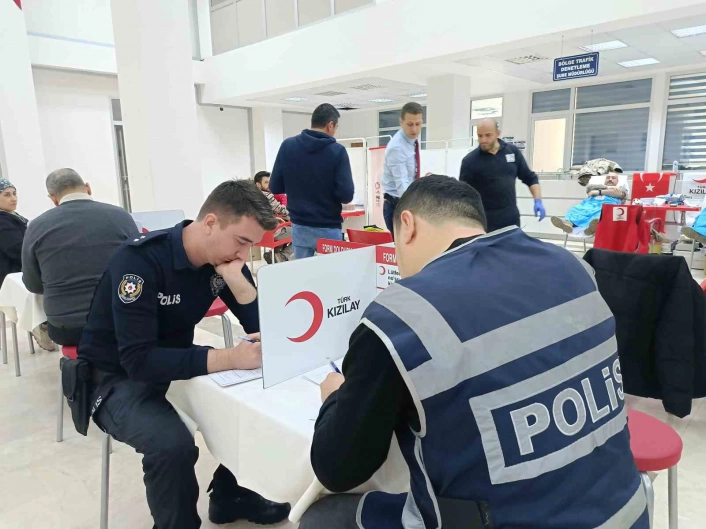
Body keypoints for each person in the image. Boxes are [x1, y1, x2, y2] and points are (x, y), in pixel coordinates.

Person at [300, 175, 648, 529]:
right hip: (629, 512)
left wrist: (335, 398)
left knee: (321, 517)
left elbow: (337, 469)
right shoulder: (572, 266)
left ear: (407, 225)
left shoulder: (403, 314)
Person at [78, 180, 290, 529]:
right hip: (115, 375)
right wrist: (229, 358)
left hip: (173, 360)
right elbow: (138, 361)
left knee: (265, 398)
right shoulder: (140, 262)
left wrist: (239, 283)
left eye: (251, 246)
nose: (244, 255)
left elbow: (261, 329)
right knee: (171, 445)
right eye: (241, 242)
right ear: (211, 223)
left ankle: (231, 495)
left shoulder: (225, 258)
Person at [21, 168, 138, 347]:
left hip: (66, 327)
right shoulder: (121, 216)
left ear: (53, 198)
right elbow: (140, 267)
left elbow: (33, 285)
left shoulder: (36, 226)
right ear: (88, 188)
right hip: (121, 319)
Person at [270, 103, 354, 259]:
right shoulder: (338, 151)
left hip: (300, 226)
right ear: (330, 125)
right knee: (331, 272)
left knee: (303, 272)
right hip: (328, 226)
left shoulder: (288, 146)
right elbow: (346, 195)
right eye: (336, 127)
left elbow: (275, 186)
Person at [460, 118, 545, 231]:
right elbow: (463, 194)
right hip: (484, 223)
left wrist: (538, 201)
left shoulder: (512, 152)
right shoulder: (470, 161)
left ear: (497, 133)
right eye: (480, 136)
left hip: (511, 220)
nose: (483, 140)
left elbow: (530, 177)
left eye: (488, 135)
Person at [381, 102, 424, 236]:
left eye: (418, 124)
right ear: (401, 122)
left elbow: (410, 177)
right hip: (398, 205)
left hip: (407, 203)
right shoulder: (397, 147)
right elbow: (402, 185)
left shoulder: (412, 141)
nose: (414, 129)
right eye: (410, 124)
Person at [551, 173, 628, 236]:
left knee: (600, 214)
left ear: (617, 181)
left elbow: (617, 193)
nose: (610, 179)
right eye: (608, 178)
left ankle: (591, 228)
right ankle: (568, 224)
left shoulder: (620, 188)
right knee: (575, 209)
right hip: (590, 204)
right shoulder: (597, 187)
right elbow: (589, 190)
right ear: (605, 180)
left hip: (605, 205)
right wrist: (603, 188)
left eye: (613, 178)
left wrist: (597, 192)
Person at [254, 170, 293, 263]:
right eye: (266, 182)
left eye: (270, 182)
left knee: (286, 229)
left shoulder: (252, 197)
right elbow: (281, 210)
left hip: (258, 234)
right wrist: (296, 216)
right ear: (258, 185)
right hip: (271, 232)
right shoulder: (266, 195)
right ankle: (282, 256)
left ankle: (273, 255)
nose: (269, 185)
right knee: (301, 233)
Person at [0, 179, 27, 288]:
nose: (13, 199)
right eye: (7, 195)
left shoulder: (14, 217)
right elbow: (17, 249)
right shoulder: (2, 221)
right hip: (11, 279)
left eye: (14, 194)